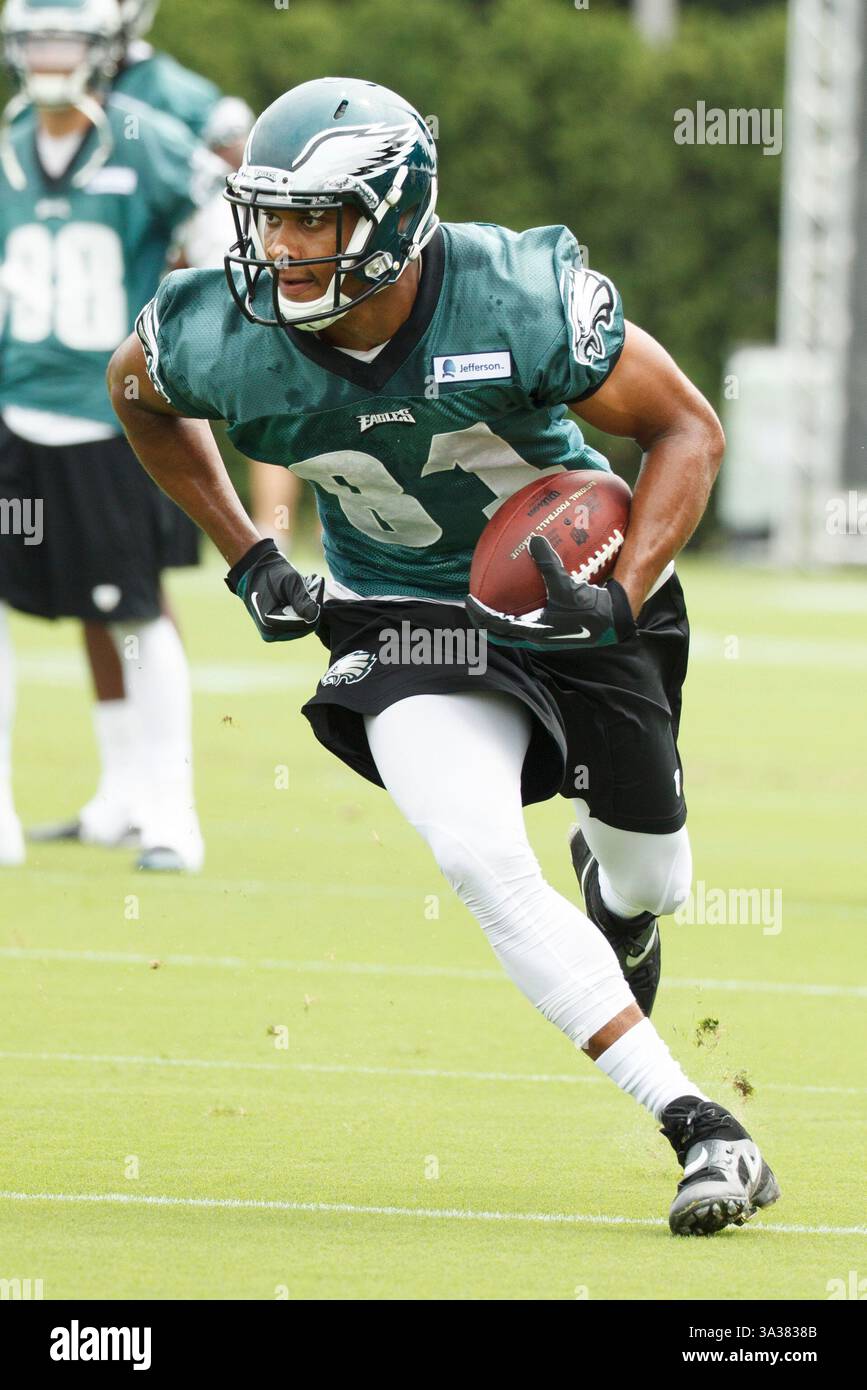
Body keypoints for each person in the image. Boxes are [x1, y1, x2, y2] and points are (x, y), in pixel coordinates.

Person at [109, 76, 780, 1233]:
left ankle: (616, 902)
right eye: (269, 216)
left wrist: (615, 599)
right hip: (397, 613)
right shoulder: (220, 329)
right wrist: (247, 550)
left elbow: (687, 429)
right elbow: (137, 394)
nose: (282, 247)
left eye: (315, 218)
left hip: (566, 588)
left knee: (653, 878)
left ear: (395, 212)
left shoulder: (513, 291)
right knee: (475, 853)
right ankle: (699, 1123)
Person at [0, 0, 231, 870]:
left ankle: (171, 814)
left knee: (134, 615)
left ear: (101, 52)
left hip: (110, 420)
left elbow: (220, 219)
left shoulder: (139, 136)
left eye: (64, 39)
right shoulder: (10, 145)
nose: (48, 56)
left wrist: (196, 329)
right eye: (35, 39)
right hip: (12, 414)